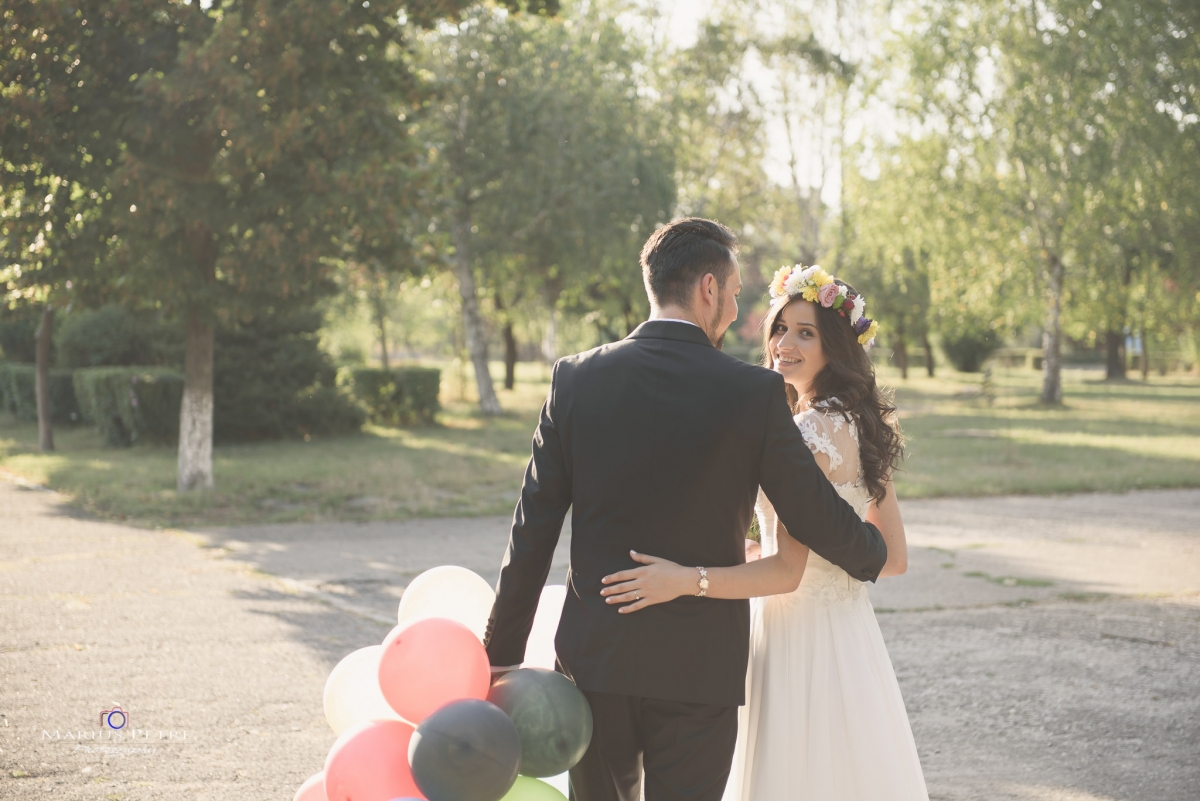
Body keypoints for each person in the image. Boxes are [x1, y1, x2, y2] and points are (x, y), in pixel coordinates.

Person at [483, 219, 888, 801]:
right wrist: (871, 552)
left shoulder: (574, 380)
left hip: (599, 661)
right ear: (707, 288)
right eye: (734, 293)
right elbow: (811, 511)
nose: (734, 306)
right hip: (700, 670)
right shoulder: (752, 392)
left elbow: (533, 529)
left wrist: (499, 658)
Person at [601, 264, 929, 801]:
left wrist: (686, 579)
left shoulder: (805, 432)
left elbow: (785, 573)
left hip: (795, 638)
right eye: (779, 328)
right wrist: (763, 543)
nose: (783, 345)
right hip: (849, 639)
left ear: (838, 347)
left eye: (806, 333)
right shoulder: (861, 423)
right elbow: (891, 558)